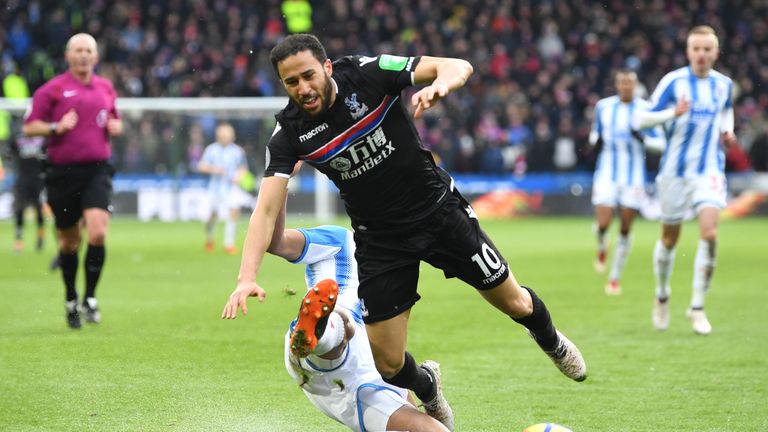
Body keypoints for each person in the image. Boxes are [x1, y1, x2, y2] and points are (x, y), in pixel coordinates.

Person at [222, 34, 587, 429]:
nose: (303, 89)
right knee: (389, 364)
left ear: (326, 67)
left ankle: (552, 341)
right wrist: (246, 277)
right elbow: (266, 209)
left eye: (309, 76)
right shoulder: (288, 133)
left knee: (515, 303)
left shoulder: (369, 73)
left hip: (438, 213)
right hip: (380, 240)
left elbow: (457, 65)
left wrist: (440, 84)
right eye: (291, 83)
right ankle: (428, 387)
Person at [263, 189, 449, 431]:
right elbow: (276, 243)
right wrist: (280, 183)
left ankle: (323, 330)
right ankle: (319, 329)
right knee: (344, 322)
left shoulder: (399, 267)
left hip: (364, 372)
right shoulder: (340, 240)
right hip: (323, 350)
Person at [636, 25, 737, 335]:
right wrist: (671, 114)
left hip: (709, 170)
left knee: (709, 233)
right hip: (674, 173)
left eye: (708, 49)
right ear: (688, 51)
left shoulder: (724, 85)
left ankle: (697, 308)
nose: (702, 54)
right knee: (669, 239)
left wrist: (728, 132)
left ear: (716, 53)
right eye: (697, 48)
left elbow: (727, 111)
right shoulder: (674, 82)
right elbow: (642, 119)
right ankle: (662, 295)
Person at [22, 33, 123, 329]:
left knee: (98, 232)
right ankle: (70, 297)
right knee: (68, 241)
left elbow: (113, 120)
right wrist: (56, 126)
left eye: (88, 50)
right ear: (68, 56)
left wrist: (117, 126)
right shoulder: (52, 90)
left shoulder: (106, 87)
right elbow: (30, 127)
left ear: (95, 56)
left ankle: (90, 298)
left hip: (97, 170)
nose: (83, 55)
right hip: (61, 174)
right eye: (78, 50)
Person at [589, 69, 663, 294]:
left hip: (633, 178)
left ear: (636, 84)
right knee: (603, 223)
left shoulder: (646, 110)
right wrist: (596, 141)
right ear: (617, 84)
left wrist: (643, 139)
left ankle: (614, 278)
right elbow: (594, 135)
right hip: (606, 174)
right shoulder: (603, 107)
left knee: (625, 227)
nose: (626, 86)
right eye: (622, 82)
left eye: (630, 82)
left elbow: (661, 143)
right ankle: (602, 246)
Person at [197, 123, 250, 255]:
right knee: (212, 216)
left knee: (234, 212)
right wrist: (214, 169)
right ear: (218, 136)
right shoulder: (211, 150)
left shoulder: (237, 151)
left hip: (231, 188)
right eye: (223, 135)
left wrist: (239, 176)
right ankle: (209, 238)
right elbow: (201, 166)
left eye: (228, 135)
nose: (226, 138)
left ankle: (229, 243)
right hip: (215, 189)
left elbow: (243, 168)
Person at [8, 133, 47, 254]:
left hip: (38, 180)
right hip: (22, 180)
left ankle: (40, 236)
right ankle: (19, 241)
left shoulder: (42, 140)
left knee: (39, 210)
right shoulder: (17, 139)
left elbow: (48, 157)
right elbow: (9, 154)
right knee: (19, 210)